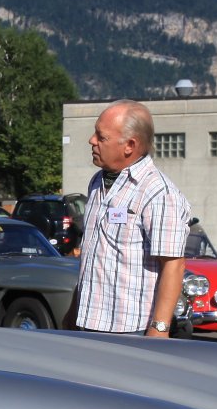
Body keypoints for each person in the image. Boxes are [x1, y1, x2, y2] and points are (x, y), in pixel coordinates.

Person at [65, 99, 190, 339]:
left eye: (101, 137)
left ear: (129, 145)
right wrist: (74, 309)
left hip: (131, 330)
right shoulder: (97, 182)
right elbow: (93, 257)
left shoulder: (158, 192)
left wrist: (159, 329)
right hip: (87, 323)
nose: (91, 140)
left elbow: (173, 265)